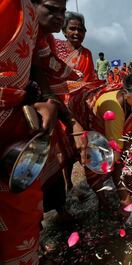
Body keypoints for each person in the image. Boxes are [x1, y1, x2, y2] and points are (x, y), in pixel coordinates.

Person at [0, 0, 59, 263]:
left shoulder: (30, 13)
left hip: (14, 128)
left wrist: (46, 100)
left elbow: (34, 64)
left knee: (22, 220)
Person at [68, 73, 132, 217]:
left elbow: (126, 139)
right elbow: (116, 157)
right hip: (77, 117)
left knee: (123, 153)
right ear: (125, 94)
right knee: (96, 160)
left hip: (107, 125)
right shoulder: (113, 109)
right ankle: (103, 203)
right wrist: (124, 197)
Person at [55, 11, 97, 82]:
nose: (77, 33)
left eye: (80, 30)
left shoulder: (86, 53)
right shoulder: (55, 46)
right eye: (72, 29)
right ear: (64, 31)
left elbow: (89, 80)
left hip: (83, 90)